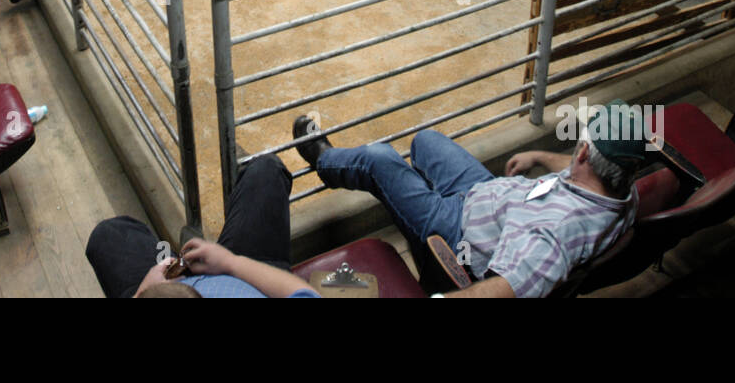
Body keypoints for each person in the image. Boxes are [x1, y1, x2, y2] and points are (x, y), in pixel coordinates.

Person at [293, 100, 647, 298]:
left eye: (581, 144)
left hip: (459, 231)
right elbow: (580, 170)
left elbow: (505, 291)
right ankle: (413, 208)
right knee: (427, 142)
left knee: (379, 160)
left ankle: (324, 160)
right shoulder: (620, 188)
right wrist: (539, 156)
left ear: (583, 152)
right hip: (489, 196)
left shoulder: (554, 236)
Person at [85, 154, 318, 298]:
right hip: (245, 278)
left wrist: (142, 293)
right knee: (266, 171)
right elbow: (304, 293)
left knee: (110, 233)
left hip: (166, 289)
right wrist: (230, 262)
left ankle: (163, 258)